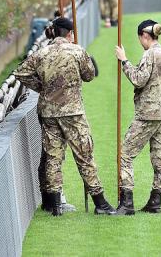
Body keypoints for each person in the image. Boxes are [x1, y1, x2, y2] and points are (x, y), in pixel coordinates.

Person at [15, 17, 117, 216]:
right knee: (84, 155)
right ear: (70, 33)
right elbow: (89, 76)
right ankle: (100, 202)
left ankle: (55, 205)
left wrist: (43, 88)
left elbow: (21, 73)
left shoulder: (41, 53)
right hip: (73, 112)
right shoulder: (77, 51)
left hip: (48, 112)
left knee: (53, 157)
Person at [114, 19, 161, 215]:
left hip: (146, 114)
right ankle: (155, 201)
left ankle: (127, 203)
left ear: (144, 36)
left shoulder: (149, 54)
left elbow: (138, 80)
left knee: (125, 155)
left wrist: (124, 61)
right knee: (160, 158)